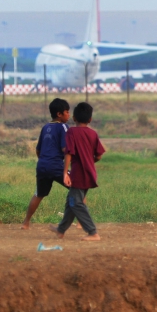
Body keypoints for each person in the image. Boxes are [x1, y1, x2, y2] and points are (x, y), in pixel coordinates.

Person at [50, 102, 105, 241]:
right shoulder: (93, 133)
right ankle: (61, 230)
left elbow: (69, 153)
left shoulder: (71, 132)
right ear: (90, 119)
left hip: (78, 173)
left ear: (74, 118)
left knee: (76, 203)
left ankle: (93, 232)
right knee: (71, 201)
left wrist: (64, 173)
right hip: (90, 172)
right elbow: (98, 155)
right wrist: (89, 161)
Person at [21, 98, 70, 230]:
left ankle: (26, 222)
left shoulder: (45, 127)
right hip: (56, 166)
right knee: (78, 186)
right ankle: (83, 222)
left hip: (42, 165)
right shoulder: (64, 127)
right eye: (67, 112)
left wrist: (44, 161)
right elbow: (65, 149)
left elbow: (38, 150)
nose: (69, 115)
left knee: (39, 194)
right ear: (59, 114)